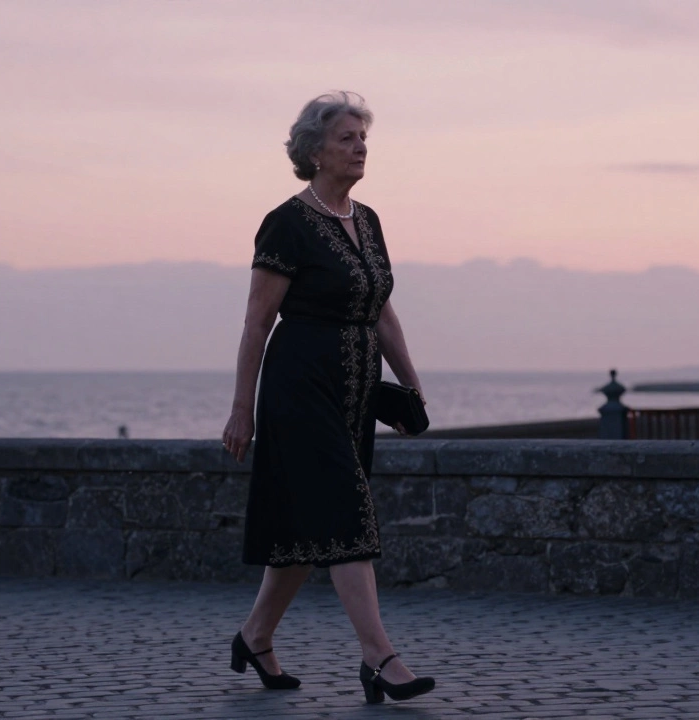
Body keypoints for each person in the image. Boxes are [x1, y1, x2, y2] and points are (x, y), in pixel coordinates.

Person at [221, 91, 434, 705]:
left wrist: (411, 384)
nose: (359, 147)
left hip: (354, 392)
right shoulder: (286, 222)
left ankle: (255, 637)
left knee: (305, 528)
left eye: (362, 138)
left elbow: (382, 311)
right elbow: (257, 322)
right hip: (299, 388)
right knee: (344, 515)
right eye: (345, 138)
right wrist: (243, 408)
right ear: (314, 152)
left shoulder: (367, 221)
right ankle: (379, 657)